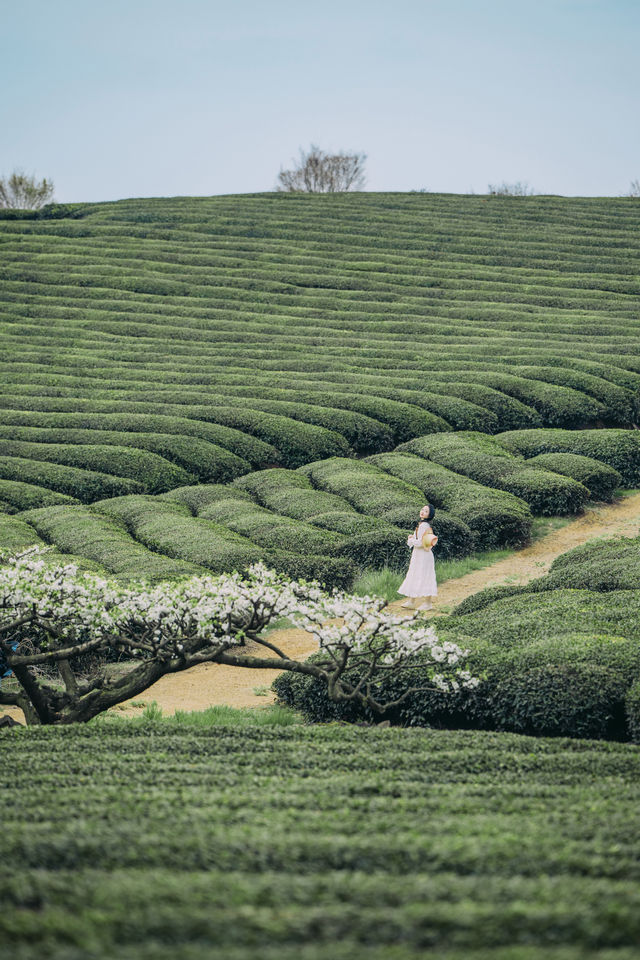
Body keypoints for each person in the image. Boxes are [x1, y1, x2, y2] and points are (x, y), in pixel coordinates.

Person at [398, 504, 438, 611]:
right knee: (417, 575)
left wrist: (411, 540)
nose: (422, 512)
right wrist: (413, 538)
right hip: (420, 555)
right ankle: (412, 601)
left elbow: (420, 542)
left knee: (423, 576)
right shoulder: (422, 524)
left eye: (426, 511)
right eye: (422, 510)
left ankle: (427, 603)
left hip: (423, 556)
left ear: (430, 514)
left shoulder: (424, 525)